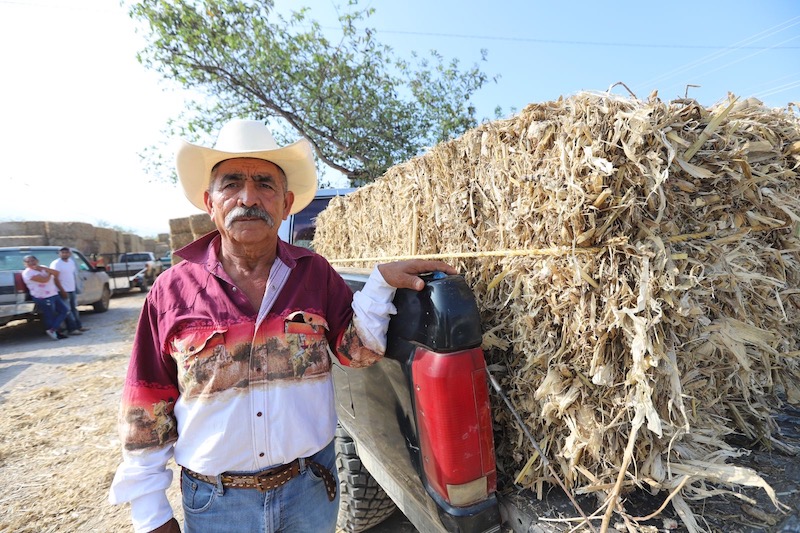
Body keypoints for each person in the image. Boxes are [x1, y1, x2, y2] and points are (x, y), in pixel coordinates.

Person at [108, 119, 455, 533]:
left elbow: (355, 351)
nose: (248, 198)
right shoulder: (170, 291)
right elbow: (147, 403)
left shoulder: (315, 273)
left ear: (286, 204)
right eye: (231, 184)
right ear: (209, 201)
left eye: (265, 185)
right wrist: (150, 513)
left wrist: (379, 283)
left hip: (309, 490)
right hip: (218, 504)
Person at [21, 255, 70, 340]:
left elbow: (57, 273)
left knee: (64, 310)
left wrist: (46, 269)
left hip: (53, 293)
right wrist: (49, 273)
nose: (31, 263)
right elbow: (44, 280)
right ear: (25, 264)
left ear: (37, 260)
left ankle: (53, 329)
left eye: (33, 260)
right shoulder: (27, 273)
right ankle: (54, 332)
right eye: (28, 262)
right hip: (42, 296)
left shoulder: (43, 267)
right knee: (49, 315)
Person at [50, 246, 89, 335]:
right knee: (68, 310)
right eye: (62, 252)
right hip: (63, 290)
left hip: (72, 289)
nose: (64, 254)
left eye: (66, 252)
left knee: (74, 308)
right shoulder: (56, 264)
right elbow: (55, 278)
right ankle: (72, 329)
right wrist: (62, 290)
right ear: (59, 254)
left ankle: (79, 326)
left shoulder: (71, 262)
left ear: (70, 253)